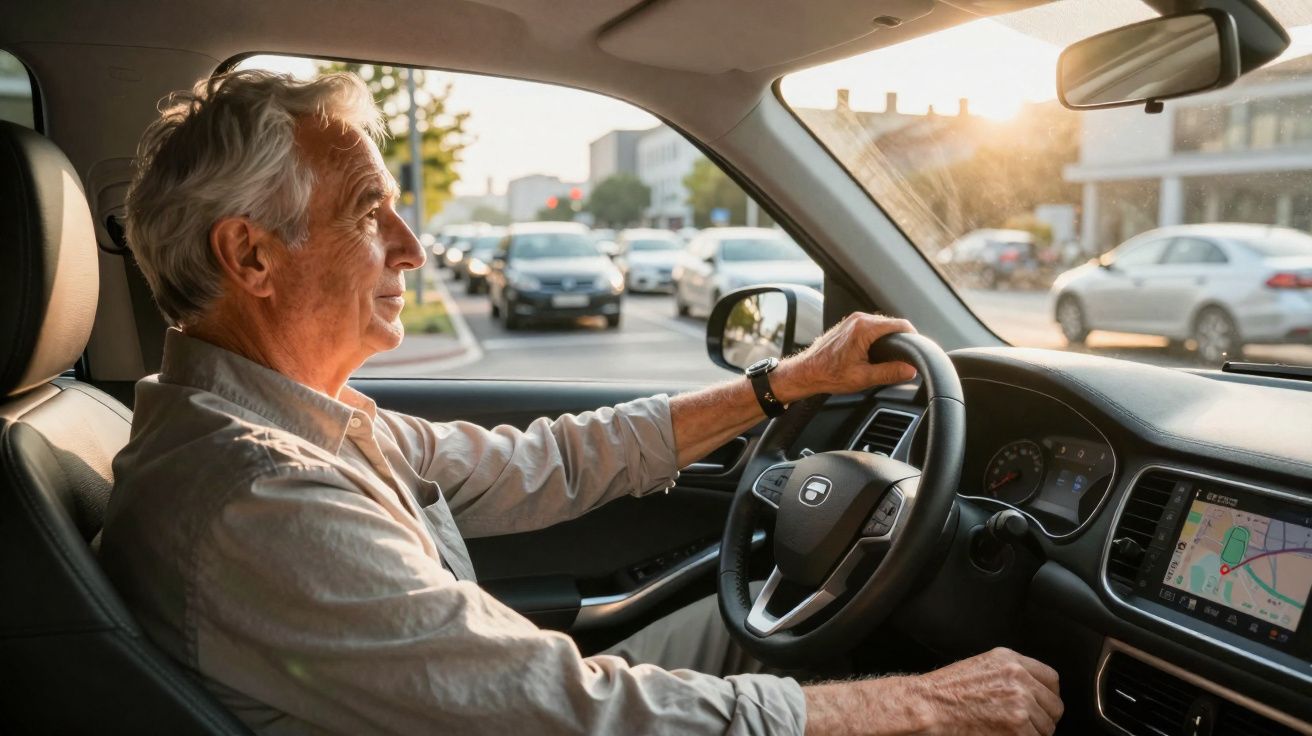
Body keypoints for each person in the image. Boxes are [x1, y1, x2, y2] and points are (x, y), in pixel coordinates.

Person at [100, 69, 1063, 735]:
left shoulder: (288, 421)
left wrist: (784, 384)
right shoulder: (258, 499)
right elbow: (567, 716)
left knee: (766, 623)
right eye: (366, 211)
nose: (412, 246)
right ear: (251, 257)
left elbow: (548, 463)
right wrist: (925, 709)